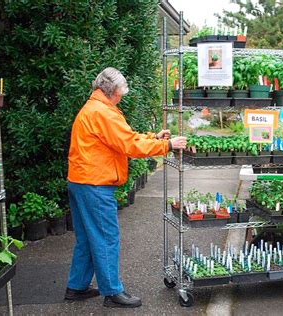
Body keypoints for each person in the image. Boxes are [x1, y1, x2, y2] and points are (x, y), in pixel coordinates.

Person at [64, 67, 187, 307]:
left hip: (81, 180)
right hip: (95, 184)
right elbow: (129, 144)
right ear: (111, 92)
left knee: (88, 239)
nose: (122, 96)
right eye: (121, 92)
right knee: (106, 238)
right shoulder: (103, 112)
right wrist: (168, 145)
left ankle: (76, 287)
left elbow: (124, 138)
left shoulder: (95, 108)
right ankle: (111, 292)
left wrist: (154, 138)